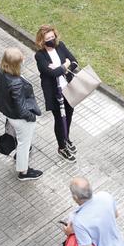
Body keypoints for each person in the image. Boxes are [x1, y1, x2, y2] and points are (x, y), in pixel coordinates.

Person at [0, 47, 43, 180]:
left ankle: (23, 154)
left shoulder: (0, 70)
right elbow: (21, 108)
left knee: (21, 140)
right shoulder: (16, 82)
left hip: (8, 112)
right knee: (24, 143)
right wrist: (31, 117)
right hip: (19, 118)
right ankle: (24, 172)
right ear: (16, 64)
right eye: (21, 59)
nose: (23, 59)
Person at [34, 25, 78, 161]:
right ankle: (61, 147)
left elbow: (74, 62)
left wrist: (61, 67)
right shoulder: (40, 56)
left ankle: (66, 138)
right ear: (42, 40)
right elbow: (51, 73)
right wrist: (65, 65)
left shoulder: (61, 46)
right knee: (59, 120)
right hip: (55, 93)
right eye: (48, 38)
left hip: (68, 89)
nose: (51, 40)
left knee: (69, 115)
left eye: (53, 37)